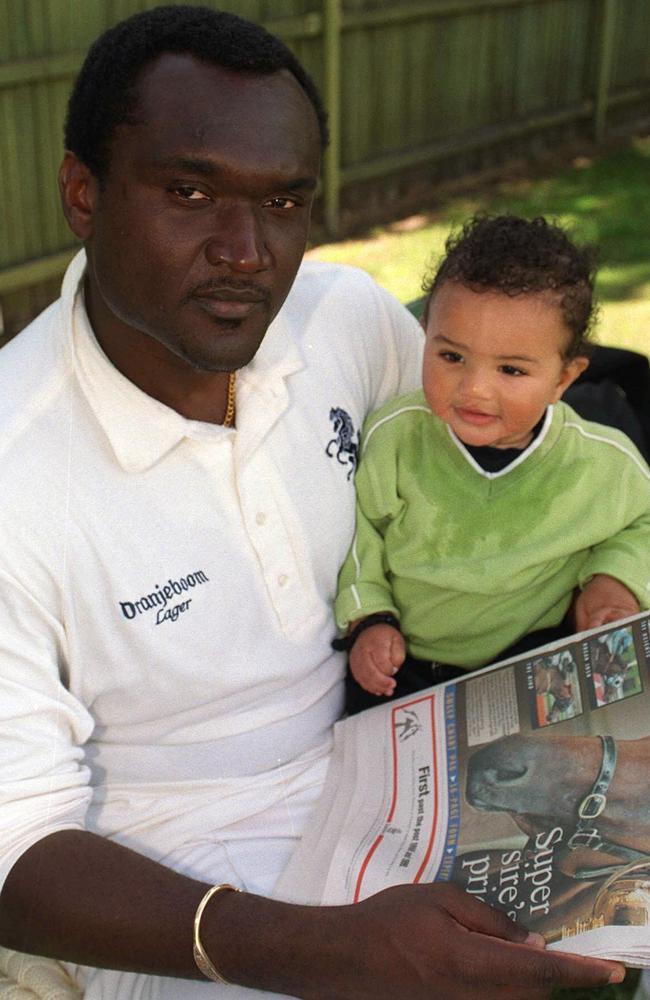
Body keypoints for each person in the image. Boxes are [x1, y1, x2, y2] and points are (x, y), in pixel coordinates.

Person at [0, 6, 626, 998]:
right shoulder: (13, 468)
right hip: (178, 897)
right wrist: (333, 952)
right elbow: (15, 848)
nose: (246, 251)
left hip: (409, 771)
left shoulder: (342, 319)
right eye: (190, 190)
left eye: (284, 202)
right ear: (83, 192)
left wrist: (606, 577)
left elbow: (500, 468)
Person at [336, 215, 650, 710]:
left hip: (535, 655)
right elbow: (357, 539)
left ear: (564, 378)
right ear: (425, 335)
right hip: (409, 663)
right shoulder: (393, 439)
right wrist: (370, 619)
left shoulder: (601, 464)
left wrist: (614, 579)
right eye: (452, 357)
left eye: (510, 369)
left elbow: (642, 521)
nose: (475, 389)